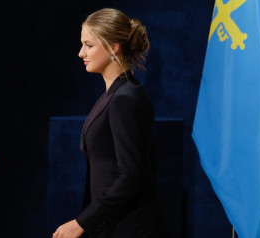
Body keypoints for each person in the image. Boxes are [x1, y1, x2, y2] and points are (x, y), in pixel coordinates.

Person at [53, 8, 168, 238]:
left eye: (89, 45)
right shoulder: (115, 95)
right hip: (114, 226)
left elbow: (132, 176)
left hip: (131, 228)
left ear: (114, 46)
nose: (80, 53)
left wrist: (80, 223)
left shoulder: (125, 98)